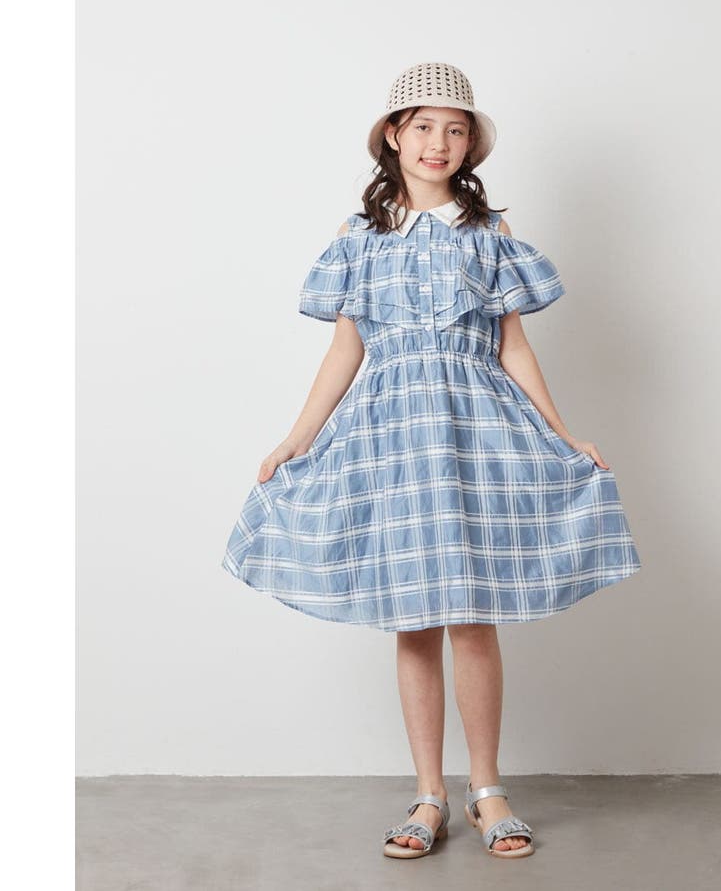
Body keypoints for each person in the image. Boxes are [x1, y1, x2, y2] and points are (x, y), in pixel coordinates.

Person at [221, 62, 642, 860]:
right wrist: (296, 438)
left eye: (455, 130)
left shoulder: (490, 236)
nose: (438, 143)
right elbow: (346, 350)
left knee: (473, 618)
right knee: (413, 621)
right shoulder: (359, 237)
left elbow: (514, 347)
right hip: (390, 434)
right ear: (393, 135)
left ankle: (487, 791)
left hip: (473, 429)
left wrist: (563, 433)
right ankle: (428, 795)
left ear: (471, 145)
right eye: (423, 127)